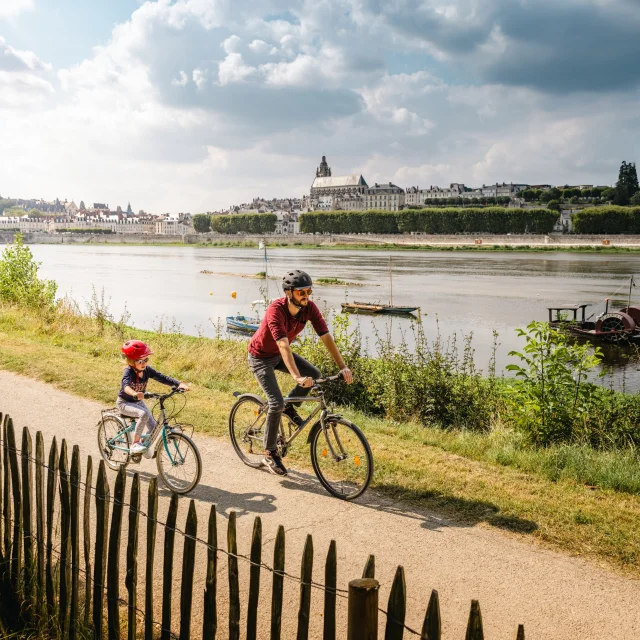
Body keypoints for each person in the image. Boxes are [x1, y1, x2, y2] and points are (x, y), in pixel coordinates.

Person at [248, 269, 353, 476]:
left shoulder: (309, 309)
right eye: (301, 293)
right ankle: (269, 453)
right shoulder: (275, 310)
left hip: (278, 356)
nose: (306, 296)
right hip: (260, 357)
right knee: (276, 402)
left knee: (314, 373)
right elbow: (283, 345)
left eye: (308, 291)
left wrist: (343, 366)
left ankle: (290, 407)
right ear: (289, 293)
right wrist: (296, 376)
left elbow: (326, 336)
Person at [118, 340, 189, 457]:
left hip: (138, 402)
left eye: (146, 360)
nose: (144, 363)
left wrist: (179, 384)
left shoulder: (147, 370)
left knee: (154, 427)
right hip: (124, 403)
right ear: (131, 361)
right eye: (140, 361)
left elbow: (162, 377)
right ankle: (135, 444)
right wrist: (134, 393)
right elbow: (125, 386)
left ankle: (143, 445)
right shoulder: (128, 372)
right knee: (144, 414)